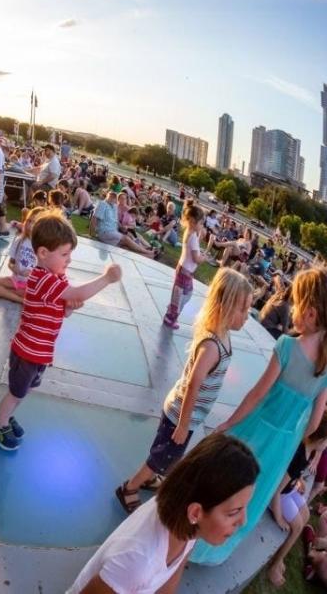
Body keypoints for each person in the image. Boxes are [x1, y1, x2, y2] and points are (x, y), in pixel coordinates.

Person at [192, 268, 327, 565]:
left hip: (255, 430)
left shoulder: (287, 347)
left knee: (228, 478)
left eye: (297, 303)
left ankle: (197, 536)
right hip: (284, 444)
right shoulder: (325, 366)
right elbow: (315, 424)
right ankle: (218, 551)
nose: (291, 309)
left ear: (312, 314)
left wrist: (229, 423)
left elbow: (257, 394)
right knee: (253, 494)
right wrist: (296, 435)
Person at [116, 268, 253, 513]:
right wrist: (183, 423)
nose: (247, 316)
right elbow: (194, 384)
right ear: (224, 306)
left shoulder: (223, 337)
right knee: (161, 457)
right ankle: (129, 487)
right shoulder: (212, 346)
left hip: (185, 415)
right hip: (180, 415)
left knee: (167, 456)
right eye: (242, 309)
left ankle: (148, 478)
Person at [0, 214, 122, 450]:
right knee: (15, 394)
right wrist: (106, 279)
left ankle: (8, 416)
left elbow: (62, 311)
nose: (69, 260)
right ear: (43, 253)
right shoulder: (42, 279)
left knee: (25, 390)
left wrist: (69, 308)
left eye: (69, 254)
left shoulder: (56, 277)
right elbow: (78, 293)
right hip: (27, 353)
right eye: (64, 254)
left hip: (40, 354)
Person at [68, 433, 259, 594]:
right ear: (196, 512)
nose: (243, 520)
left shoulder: (188, 523)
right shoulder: (137, 561)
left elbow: (169, 579)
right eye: (234, 512)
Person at [265, 419, 327, 585]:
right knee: (297, 527)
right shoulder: (300, 455)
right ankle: (275, 565)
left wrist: (299, 479)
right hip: (281, 495)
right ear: (320, 440)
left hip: (290, 489)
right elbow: (277, 491)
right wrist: (278, 517)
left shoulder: (309, 450)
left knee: (305, 514)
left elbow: (294, 474)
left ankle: (281, 556)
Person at [0, 207, 45, 303]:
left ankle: (8, 293)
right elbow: (11, 263)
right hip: (15, 281)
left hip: (32, 285)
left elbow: (47, 272)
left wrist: (32, 273)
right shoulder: (19, 241)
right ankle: (20, 299)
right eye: (29, 221)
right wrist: (14, 268)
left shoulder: (44, 246)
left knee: (42, 295)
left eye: (34, 222)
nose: (30, 225)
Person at [163, 204, 206, 329]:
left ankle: (171, 310)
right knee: (181, 295)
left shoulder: (190, 232)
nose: (202, 226)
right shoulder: (192, 237)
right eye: (201, 223)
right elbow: (196, 259)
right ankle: (170, 317)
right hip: (184, 272)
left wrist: (200, 235)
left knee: (185, 294)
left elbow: (194, 247)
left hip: (184, 270)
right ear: (193, 222)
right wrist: (204, 258)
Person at [91, 190, 157, 259]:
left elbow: (116, 222)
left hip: (114, 232)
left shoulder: (114, 207)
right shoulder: (103, 204)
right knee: (126, 239)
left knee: (125, 247)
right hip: (105, 232)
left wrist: (123, 227)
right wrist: (91, 234)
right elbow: (94, 218)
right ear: (108, 196)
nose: (113, 199)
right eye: (111, 196)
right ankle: (147, 252)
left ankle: (148, 256)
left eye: (114, 197)